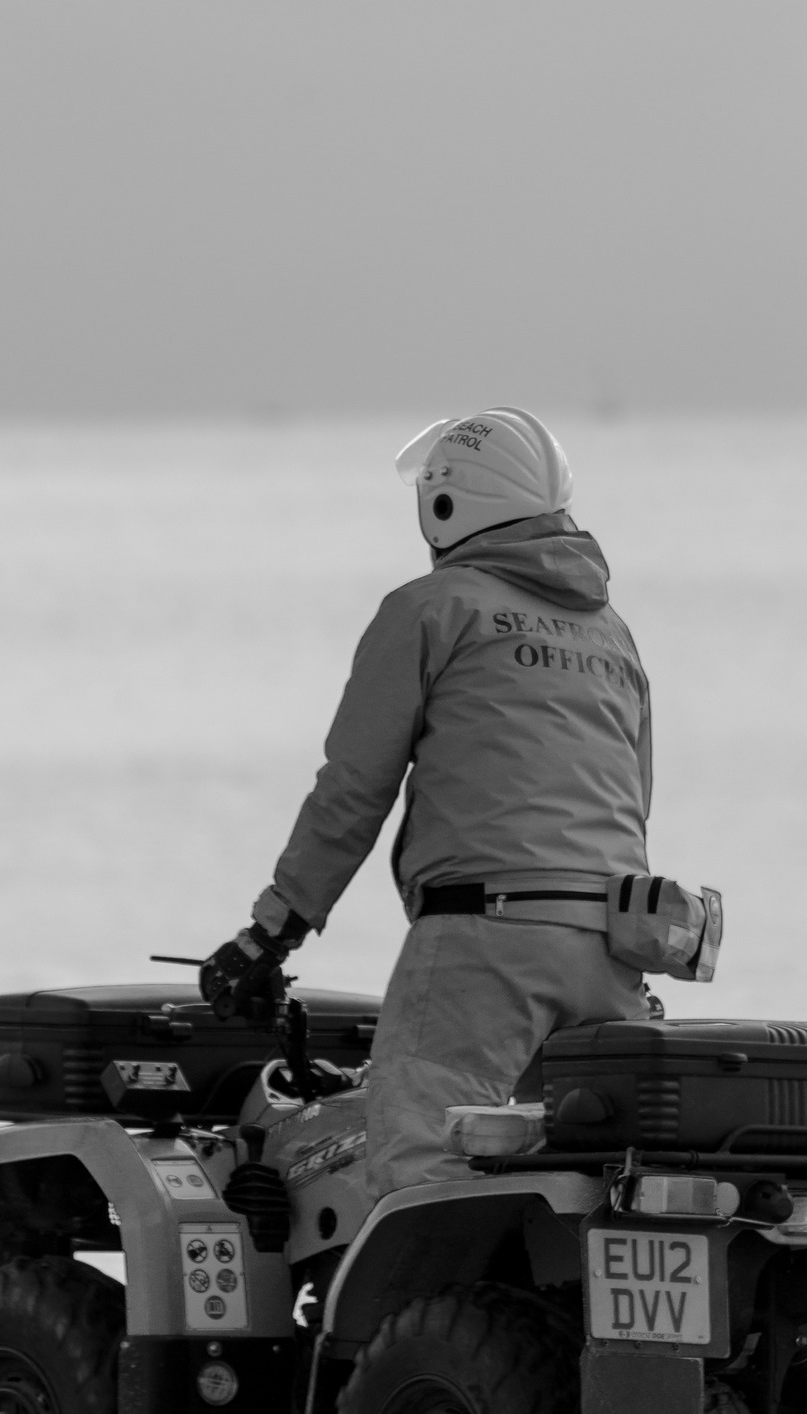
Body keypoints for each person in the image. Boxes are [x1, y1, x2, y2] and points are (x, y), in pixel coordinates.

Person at [200, 407, 652, 1200]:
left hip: (485, 943)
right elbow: (632, 799)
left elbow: (353, 788)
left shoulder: (431, 608)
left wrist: (271, 932)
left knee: (421, 1176)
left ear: (444, 505)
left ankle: (429, 1323)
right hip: (612, 952)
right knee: (602, 1179)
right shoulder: (610, 635)